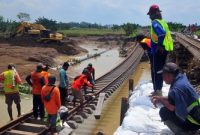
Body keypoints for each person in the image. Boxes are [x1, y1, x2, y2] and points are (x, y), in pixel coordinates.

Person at [151, 63, 200, 134]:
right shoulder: (182, 78)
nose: (163, 78)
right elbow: (175, 98)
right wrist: (160, 98)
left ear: (169, 75)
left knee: (164, 112)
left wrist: (161, 100)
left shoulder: (176, 89)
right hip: (197, 117)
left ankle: (187, 133)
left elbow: (172, 108)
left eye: (163, 76)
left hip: (194, 122)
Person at [147, 4, 174, 96]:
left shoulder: (155, 22)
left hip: (159, 50)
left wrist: (159, 45)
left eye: (150, 14)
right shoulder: (163, 22)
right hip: (164, 49)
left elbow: (161, 34)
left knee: (156, 70)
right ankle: (158, 90)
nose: (149, 17)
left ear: (154, 14)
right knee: (160, 70)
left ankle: (157, 91)